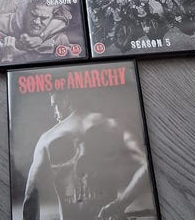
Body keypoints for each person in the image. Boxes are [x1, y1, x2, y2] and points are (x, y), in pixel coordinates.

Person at [22, 89, 154, 220]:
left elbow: (31, 193)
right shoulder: (113, 125)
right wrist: (121, 203)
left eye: (55, 105)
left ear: (66, 99)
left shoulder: (47, 139)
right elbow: (148, 165)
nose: (54, 113)